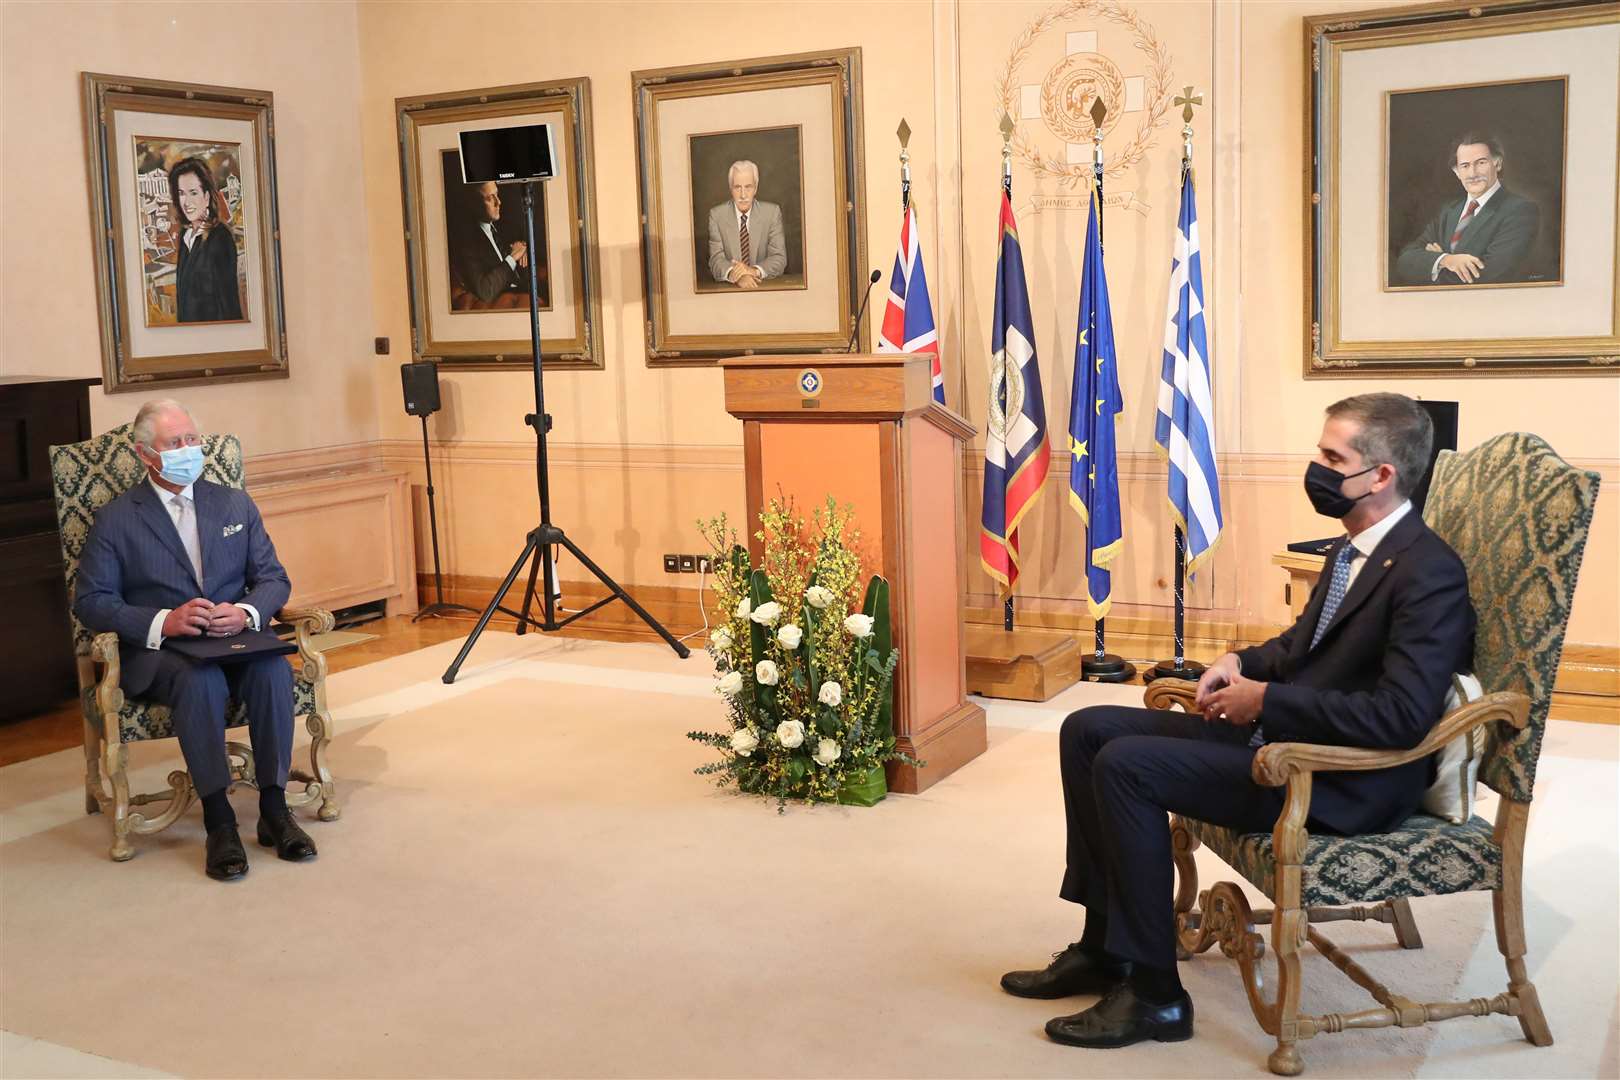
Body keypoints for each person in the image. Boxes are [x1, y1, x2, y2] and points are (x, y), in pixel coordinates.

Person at [1000, 392, 1475, 1050]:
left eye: (1332, 457)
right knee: (1087, 731)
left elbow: (1399, 717)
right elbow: (1299, 650)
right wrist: (1237, 662)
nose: (1318, 468)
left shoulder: (1429, 574)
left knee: (1127, 767)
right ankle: (1105, 945)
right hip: (1283, 738)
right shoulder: (1349, 551)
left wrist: (1267, 702)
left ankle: (1156, 995)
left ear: (1381, 476)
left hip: (1339, 778)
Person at [73, 399, 316, 882]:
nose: (188, 450)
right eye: (174, 443)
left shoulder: (233, 504)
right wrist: (165, 620)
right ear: (146, 455)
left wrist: (246, 612)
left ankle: (273, 807)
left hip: (235, 640)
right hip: (165, 654)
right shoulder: (117, 519)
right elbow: (92, 601)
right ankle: (219, 821)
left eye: (192, 440)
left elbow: (273, 580)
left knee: (271, 669)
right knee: (199, 680)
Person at [1393, 133, 1539, 286]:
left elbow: (1488, 278)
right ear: (1457, 172)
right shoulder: (1449, 211)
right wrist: (1446, 259)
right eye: (1465, 165)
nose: (1472, 173)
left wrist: (1432, 263)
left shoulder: (1520, 211)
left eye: (1481, 163)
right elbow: (1405, 261)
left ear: (1498, 164)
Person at [169, 158, 244, 323]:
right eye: (181, 193)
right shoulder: (186, 235)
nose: (186, 202)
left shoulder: (220, 238)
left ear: (207, 196)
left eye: (193, 192)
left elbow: (228, 304)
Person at [706, 159, 786, 289]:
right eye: (737, 187)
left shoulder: (772, 213)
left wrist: (752, 271)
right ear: (730, 188)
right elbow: (715, 260)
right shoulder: (717, 215)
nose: (743, 195)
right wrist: (736, 275)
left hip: (766, 290)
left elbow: (779, 258)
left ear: (756, 188)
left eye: (748, 187)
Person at [450, 180, 529, 305]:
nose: (498, 202)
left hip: (522, 290)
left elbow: (520, 245)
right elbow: (485, 291)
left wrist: (523, 249)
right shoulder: (467, 243)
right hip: (503, 302)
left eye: (497, 195)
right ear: (475, 203)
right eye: (489, 198)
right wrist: (513, 257)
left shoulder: (501, 227)